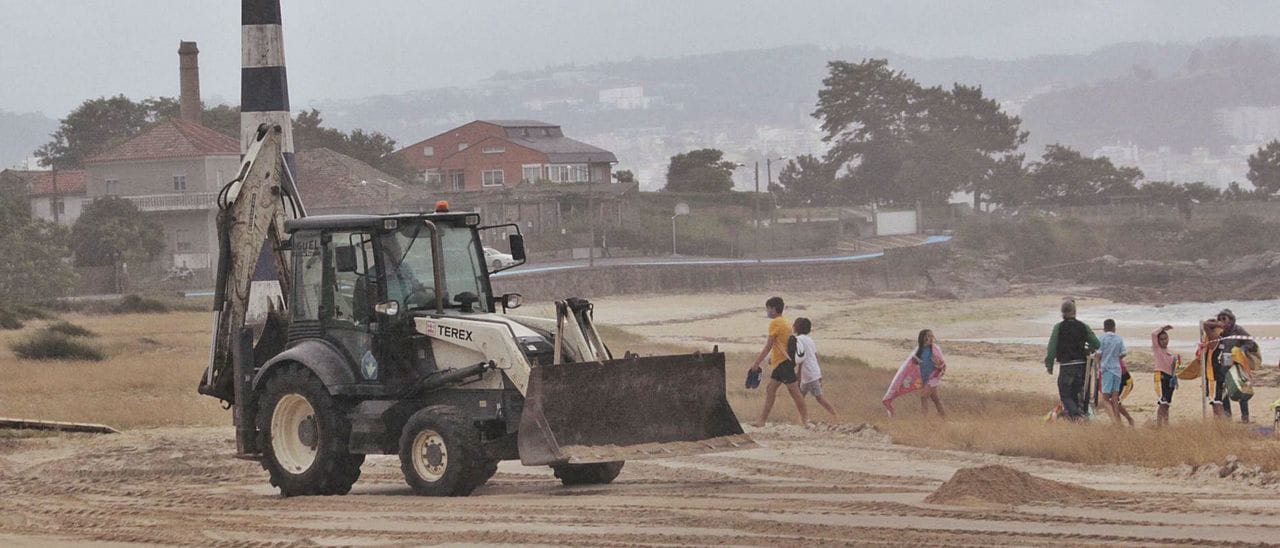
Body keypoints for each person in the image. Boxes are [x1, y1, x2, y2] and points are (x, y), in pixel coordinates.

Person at [748, 297, 808, 427]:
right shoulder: (785, 322)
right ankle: (761, 421)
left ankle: (805, 421)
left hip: (783, 364)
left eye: (768, 309)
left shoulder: (775, 323)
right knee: (770, 389)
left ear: (774, 309)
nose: (767, 311)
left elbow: (769, 345)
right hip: (782, 363)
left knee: (794, 392)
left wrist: (756, 362)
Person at [1045, 298, 1100, 421]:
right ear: (1074, 312)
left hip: (1067, 366)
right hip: (1082, 366)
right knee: (1076, 394)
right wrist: (1087, 349)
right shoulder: (1083, 326)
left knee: (1065, 394)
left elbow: (1052, 348)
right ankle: (1076, 419)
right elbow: (1096, 343)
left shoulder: (1059, 327)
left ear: (1062, 312)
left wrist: (1049, 365)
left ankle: (1077, 416)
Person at [882, 329, 947, 418]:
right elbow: (911, 364)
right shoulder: (919, 350)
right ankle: (944, 418)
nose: (931, 338)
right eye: (928, 336)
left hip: (933, 378)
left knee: (924, 397)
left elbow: (942, 364)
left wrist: (938, 367)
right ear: (923, 338)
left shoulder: (935, 349)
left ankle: (925, 421)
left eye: (932, 336)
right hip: (923, 378)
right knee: (936, 399)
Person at [1204, 309, 1253, 422]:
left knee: (1241, 389)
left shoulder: (1238, 330)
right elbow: (1206, 327)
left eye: (1224, 319)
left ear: (1231, 320)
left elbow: (1250, 341)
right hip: (1223, 365)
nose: (1222, 321)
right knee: (1224, 390)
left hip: (1237, 364)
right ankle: (1227, 415)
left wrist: (1241, 350)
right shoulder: (1219, 332)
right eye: (1220, 319)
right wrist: (1217, 324)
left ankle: (1245, 417)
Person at [791, 317, 838, 421]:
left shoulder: (798, 340)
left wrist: (798, 374)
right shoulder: (810, 340)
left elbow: (801, 357)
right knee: (801, 398)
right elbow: (815, 356)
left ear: (797, 327)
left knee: (819, 398)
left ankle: (835, 416)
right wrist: (819, 373)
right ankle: (801, 419)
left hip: (808, 374)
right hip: (813, 372)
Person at [1098, 319, 1133, 426]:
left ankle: (1114, 421)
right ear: (1114, 328)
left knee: (1105, 399)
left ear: (1104, 328)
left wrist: (1103, 358)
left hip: (1107, 369)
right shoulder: (1119, 339)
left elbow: (1099, 354)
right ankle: (1119, 422)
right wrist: (1115, 357)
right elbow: (1123, 353)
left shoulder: (1101, 338)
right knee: (1114, 399)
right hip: (1117, 370)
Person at [1151, 325, 1179, 426]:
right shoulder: (1157, 349)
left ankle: (1166, 423)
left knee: (1167, 403)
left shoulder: (1171, 352)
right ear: (1158, 341)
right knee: (1163, 402)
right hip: (1160, 375)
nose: (1164, 341)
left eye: (1166, 338)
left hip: (1170, 377)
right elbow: (1154, 334)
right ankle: (1159, 424)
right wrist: (1163, 328)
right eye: (1161, 339)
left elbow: (1174, 367)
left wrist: (1174, 377)